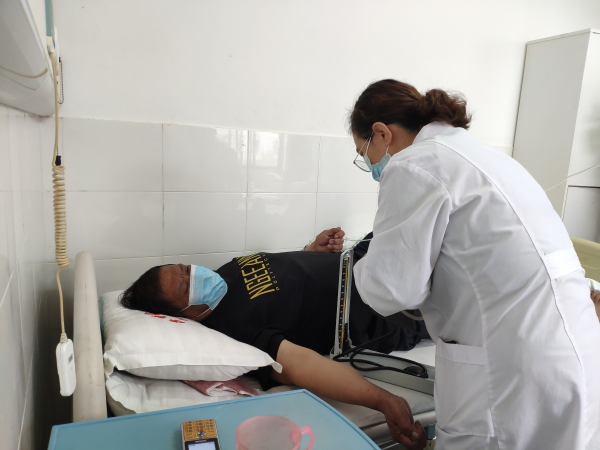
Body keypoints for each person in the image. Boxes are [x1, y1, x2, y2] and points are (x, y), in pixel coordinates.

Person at [349, 79, 600, 449]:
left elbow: (392, 290)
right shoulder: (486, 156)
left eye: (364, 152)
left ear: (382, 133)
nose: (371, 165)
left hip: (511, 370)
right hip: (576, 351)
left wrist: (358, 265)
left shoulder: (413, 164)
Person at [121, 227, 428, 450]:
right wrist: (384, 400)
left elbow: (282, 277)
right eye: (185, 286)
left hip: (365, 259)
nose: (195, 276)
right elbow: (302, 364)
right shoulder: (236, 331)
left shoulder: (225, 273)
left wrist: (312, 251)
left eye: (186, 270)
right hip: (385, 308)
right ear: (183, 316)